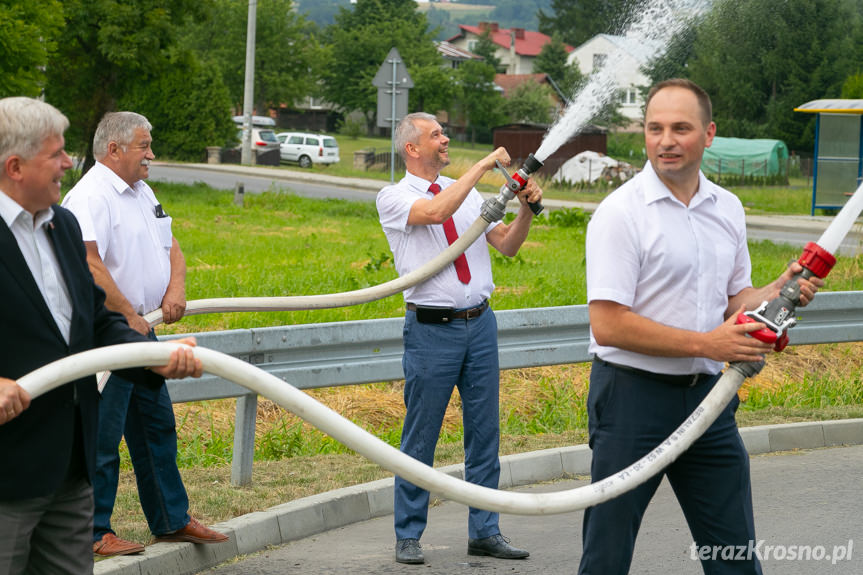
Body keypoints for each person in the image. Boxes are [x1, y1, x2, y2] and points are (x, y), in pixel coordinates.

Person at [580, 78, 822, 574]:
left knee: (733, 554)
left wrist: (778, 289)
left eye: (680, 128)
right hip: (631, 401)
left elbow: (734, 299)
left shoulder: (727, 208)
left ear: (708, 134)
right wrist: (710, 343)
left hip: (708, 404)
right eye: (655, 128)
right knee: (607, 555)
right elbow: (608, 325)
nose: (665, 140)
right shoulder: (620, 214)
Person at [0, 97, 203, 575]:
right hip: (7, 473)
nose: (69, 163)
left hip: (69, 468)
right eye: (55, 154)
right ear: (14, 166)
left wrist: (150, 355)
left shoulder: (61, 227)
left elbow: (93, 317)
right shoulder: (85, 204)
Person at [376, 112, 542, 565]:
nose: (445, 139)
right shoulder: (393, 197)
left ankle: (485, 531)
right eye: (436, 135)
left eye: (444, 132)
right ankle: (408, 535)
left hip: (480, 325)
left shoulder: (466, 198)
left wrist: (526, 207)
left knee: (485, 434)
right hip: (432, 330)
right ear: (412, 148)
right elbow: (435, 212)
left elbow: (506, 244)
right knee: (421, 435)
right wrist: (484, 166)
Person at [61, 112, 228, 557]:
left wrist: (176, 287)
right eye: (143, 146)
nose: (151, 154)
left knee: (156, 427)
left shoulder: (142, 190)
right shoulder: (90, 196)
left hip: (143, 330)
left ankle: (171, 520)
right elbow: (89, 263)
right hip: (110, 334)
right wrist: (125, 316)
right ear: (113, 149)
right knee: (102, 436)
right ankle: (95, 531)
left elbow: (169, 243)